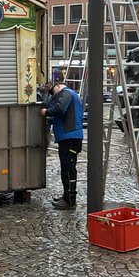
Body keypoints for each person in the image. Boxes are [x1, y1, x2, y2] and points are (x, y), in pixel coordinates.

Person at [41, 82, 84, 210]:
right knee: (66, 168)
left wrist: (46, 112)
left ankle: (70, 200)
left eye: (54, 93)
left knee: (69, 169)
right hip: (67, 138)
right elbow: (60, 116)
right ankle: (66, 196)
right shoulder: (69, 95)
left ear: (58, 86)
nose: (54, 96)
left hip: (70, 138)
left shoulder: (66, 93)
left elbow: (60, 109)